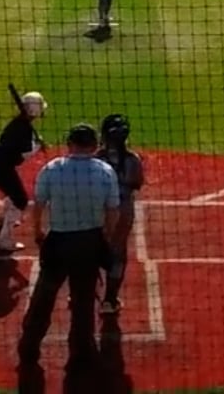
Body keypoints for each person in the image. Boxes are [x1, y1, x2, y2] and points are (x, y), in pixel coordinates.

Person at [15, 122, 120, 374]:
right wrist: (105, 237)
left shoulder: (52, 169)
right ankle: (82, 353)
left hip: (59, 242)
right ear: (94, 145)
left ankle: (29, 349)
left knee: (43, 298)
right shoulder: (105, 172)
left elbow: (38, 204)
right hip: (89, 243)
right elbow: (113, 210)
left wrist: (38, 232)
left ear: (69, 143)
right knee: (83, 301)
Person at [0, 91, 47, 253]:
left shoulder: (20, 123)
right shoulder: (23, 128)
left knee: (13, 193)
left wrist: (35, 144)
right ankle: (3, 240)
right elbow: (23, 155)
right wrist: (38, 146)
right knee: (20, 200)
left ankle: (0, 218)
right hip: (0, 167)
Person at [95, 113, 145, 316]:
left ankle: (81, 293)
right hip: (122, 211)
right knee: (117, 253)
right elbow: (137, 184)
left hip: (97, 209)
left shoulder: (97, 158)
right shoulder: (132, 159)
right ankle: (109, 300)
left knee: (89, 248)